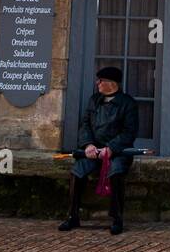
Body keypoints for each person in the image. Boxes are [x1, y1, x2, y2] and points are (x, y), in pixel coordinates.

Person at [58, 66, 139, 235]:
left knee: (115, 172)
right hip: (94, 151)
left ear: (112, 84)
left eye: (100, 81)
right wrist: (88, 145)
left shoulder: (128, 103)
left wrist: (111, 148)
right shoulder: (94, 100)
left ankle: (117, 218)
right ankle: (72, 216)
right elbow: (85, 124)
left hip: (117, 153)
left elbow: (129, 132)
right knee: (77, 171)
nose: (97, 84)